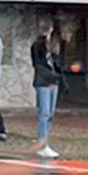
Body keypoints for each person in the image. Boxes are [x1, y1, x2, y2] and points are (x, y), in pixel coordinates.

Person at [31, 20, 62, 159]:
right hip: (43, 82)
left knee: (50, 114)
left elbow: (57, 64)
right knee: (44, 113)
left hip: (53, 82)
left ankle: (45, 142)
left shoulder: (53, 46)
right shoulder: (37, 46)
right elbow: (38, 65)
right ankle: (42, 143)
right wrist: (52, 76)